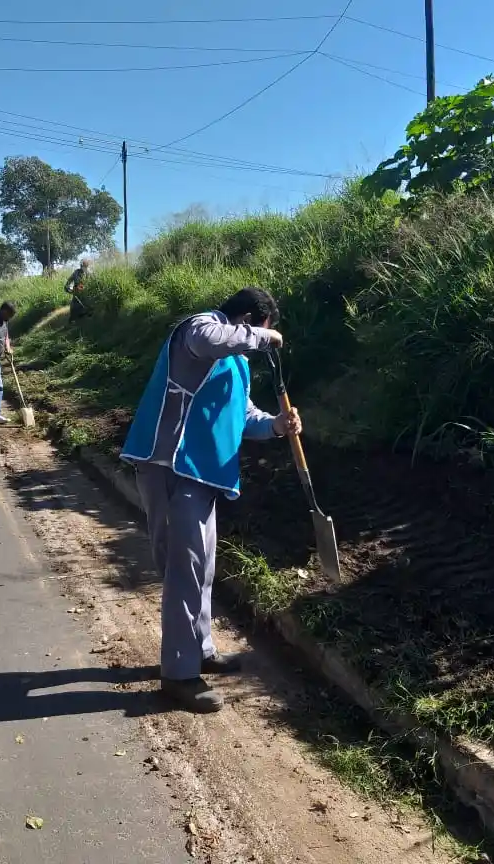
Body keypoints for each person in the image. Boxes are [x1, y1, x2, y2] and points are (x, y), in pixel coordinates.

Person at [120, 287, 301, 713]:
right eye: (261, 330)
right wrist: (263, 338)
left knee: (202, 566)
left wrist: (276, 425)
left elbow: (243, 416)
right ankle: (180, 675)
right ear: (249, 319)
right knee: (184, 570)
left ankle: (200, 648)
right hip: (171, 466)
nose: (259, 342)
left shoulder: (236, 362)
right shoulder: (199, 329)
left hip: (201, 474)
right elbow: (209, 338)